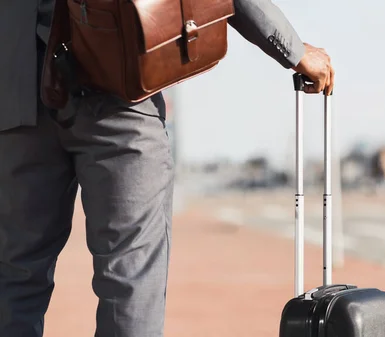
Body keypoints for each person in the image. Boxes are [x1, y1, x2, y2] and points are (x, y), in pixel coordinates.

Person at [0, 0, 335, 336]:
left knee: (15, 280)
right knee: (129, 282)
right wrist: (293, 49)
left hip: (17, 96)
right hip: (117, 88)